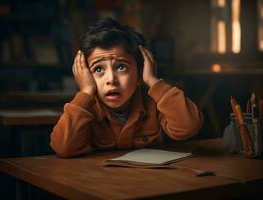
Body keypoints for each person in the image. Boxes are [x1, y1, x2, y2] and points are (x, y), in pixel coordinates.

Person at [50, 18, 203, 158]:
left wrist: (153, 81)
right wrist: (86, 92)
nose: (111, 80)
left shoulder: (155, 102)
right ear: (84, 76)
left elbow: (189, 127)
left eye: (121, 67)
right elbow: (64, 148)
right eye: (98, 69)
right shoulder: (85, 109)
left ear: (139, 73)